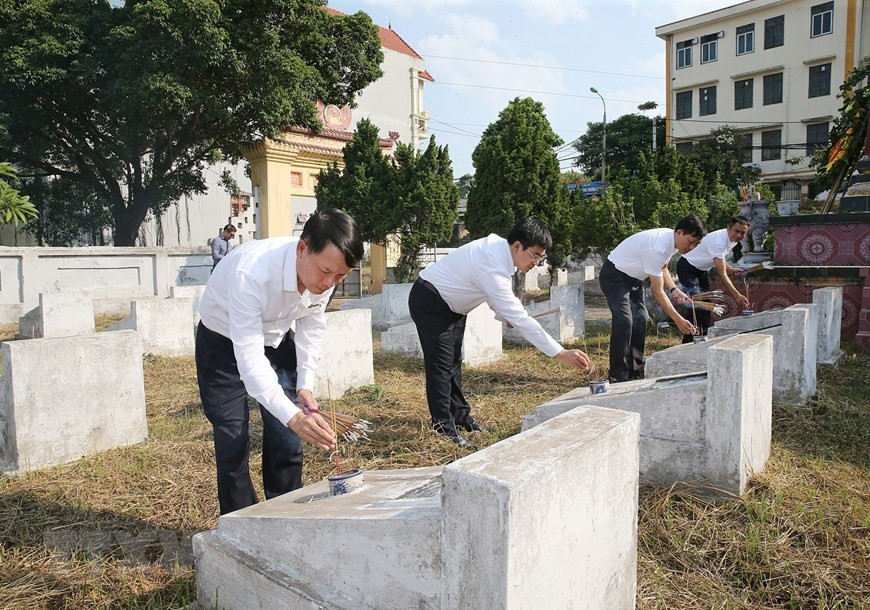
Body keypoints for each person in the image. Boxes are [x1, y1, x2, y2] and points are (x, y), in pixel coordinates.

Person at [196, 208, 362, 515]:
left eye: (341, 276)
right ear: (302, 249)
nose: (330, 283)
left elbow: (312, 328)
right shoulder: (251, 273)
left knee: (287, 436)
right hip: (224, 342)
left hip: (276, 336)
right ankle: (242, 520)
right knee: (233, 436)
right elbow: (249, 360)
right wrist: (295, 417)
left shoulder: (326, 273)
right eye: (326, 272)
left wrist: (305, 386)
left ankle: (285, 513)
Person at [409, 218, 591, 448]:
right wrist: (560, 352)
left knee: (453, 364)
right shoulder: (492, 263)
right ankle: (444, 428)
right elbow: (511, 308)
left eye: (540, 257)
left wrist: (506, 315)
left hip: (451, 307)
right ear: (516, 246)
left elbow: (493, 295)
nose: (537, 262)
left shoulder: (501, 255)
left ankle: (461, 418)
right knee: (440, 367)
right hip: (431, 302)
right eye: (534, 255)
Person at [598, 216, 706, 383]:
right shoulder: (658, 247)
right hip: (614, 275)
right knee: (625, 320)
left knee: (641, 319)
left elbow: (663, 267)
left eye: (695, 244)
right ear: (679, 232)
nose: (691, 247)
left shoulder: (672, 243)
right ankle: (617, 375)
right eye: (690, 241)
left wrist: (674, 289)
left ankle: (636, 369)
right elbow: (658, 292)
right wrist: (678, 319)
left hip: (633, 278)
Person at [677, 215, 751, 342]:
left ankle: (703, 336)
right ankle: (689, 341)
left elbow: (720, 258)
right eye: (736, 231)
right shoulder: (719, 241)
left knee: (707, 304)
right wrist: (737, 295)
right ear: (729, 228)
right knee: (696, 305)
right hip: (687, 268)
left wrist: (730, 269)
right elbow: (721, 274)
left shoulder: (731, 239)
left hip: (700, 270)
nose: (739, 235)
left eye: (743, 232)